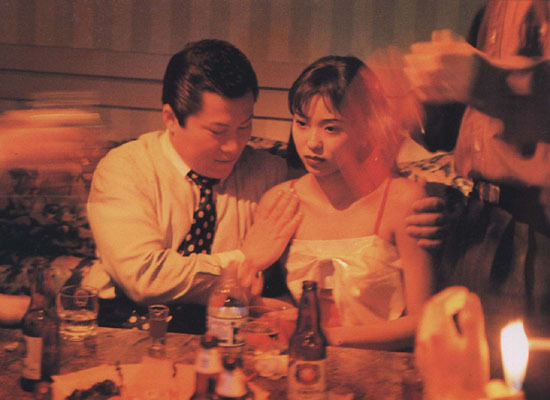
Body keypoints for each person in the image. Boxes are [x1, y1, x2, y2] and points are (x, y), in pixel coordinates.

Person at [83, 39, 302, 333]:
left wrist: (271, 303)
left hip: (224, 332)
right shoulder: (126, 168)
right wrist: (244, 260)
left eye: (244, 127)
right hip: (124, 326)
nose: (233, 146)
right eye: (218, 131)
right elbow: (144, 277)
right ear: (171, 119)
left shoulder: (271, 175)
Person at [404, 0, 550, 375]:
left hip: (537, 235)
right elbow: (462, 129)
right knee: (461, 378)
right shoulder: (491, 12)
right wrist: (418, 103)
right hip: (479, 225)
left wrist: (485, 80)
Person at [258, 56, 435, 350]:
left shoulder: (402, 200)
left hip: (381, 365)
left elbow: (423, 322)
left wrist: (328, 337)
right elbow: (266, 297)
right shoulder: (280, 201)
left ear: (366, 130)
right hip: (303, 362)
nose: (312, 142)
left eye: (331, 128)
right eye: (302, 124)